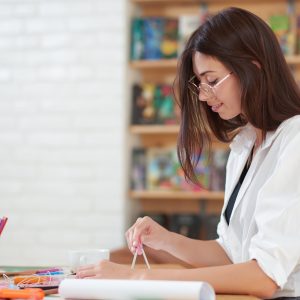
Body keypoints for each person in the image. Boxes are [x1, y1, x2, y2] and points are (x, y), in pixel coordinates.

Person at [76, 7, 300, 299]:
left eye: (212, 80)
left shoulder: (294, 140)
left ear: (254, 66)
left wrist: (139, 277)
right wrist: (166, 241)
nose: (205, 96)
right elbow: (231, 254)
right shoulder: (244, 146)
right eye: (200, 84)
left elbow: (264, 276)